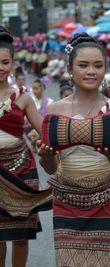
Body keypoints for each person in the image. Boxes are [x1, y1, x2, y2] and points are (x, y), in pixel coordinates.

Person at [38, 33, 110, 266]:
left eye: (98, 65)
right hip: (67, 204)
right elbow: (51, 169)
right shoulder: (55, 111)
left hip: (108, 201)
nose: (91, 71)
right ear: (70, 69)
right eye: (83, 65)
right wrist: (46, 157)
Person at [0, 26, 43, 267]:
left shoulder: (23, 97)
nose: (0, 67)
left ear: (13, 63)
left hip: (21, 172)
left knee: (19, 235)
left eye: (5, 62)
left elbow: (45, 129)